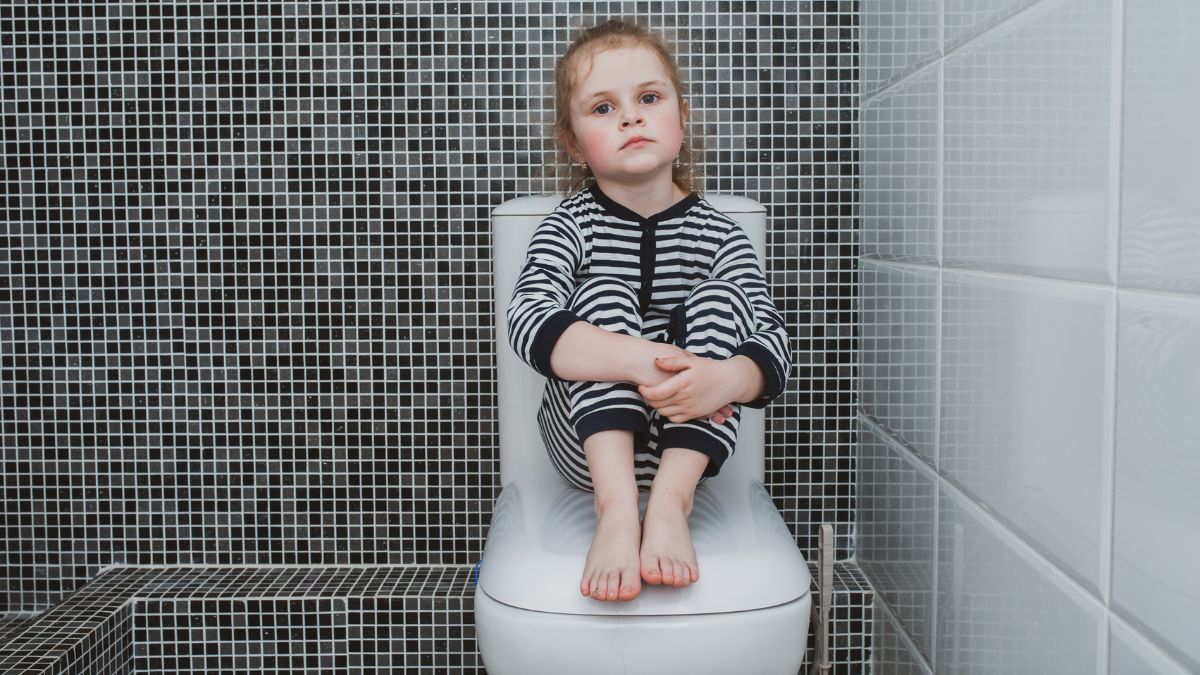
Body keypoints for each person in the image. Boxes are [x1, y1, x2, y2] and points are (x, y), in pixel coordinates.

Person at [506, 18, 792, 603]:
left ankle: (669, 504)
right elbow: (528, 318)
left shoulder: (720, 233)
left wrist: (724, 377)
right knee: (602, 294)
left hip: (692, 443)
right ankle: (615, 510)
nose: (631, 117)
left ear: (682, 118)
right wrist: (641, 360)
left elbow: (771, 341)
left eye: (648, 98)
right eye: (603, 108)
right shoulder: (568, 226)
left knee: (725, 298)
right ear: (573, 143)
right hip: (584, 451)